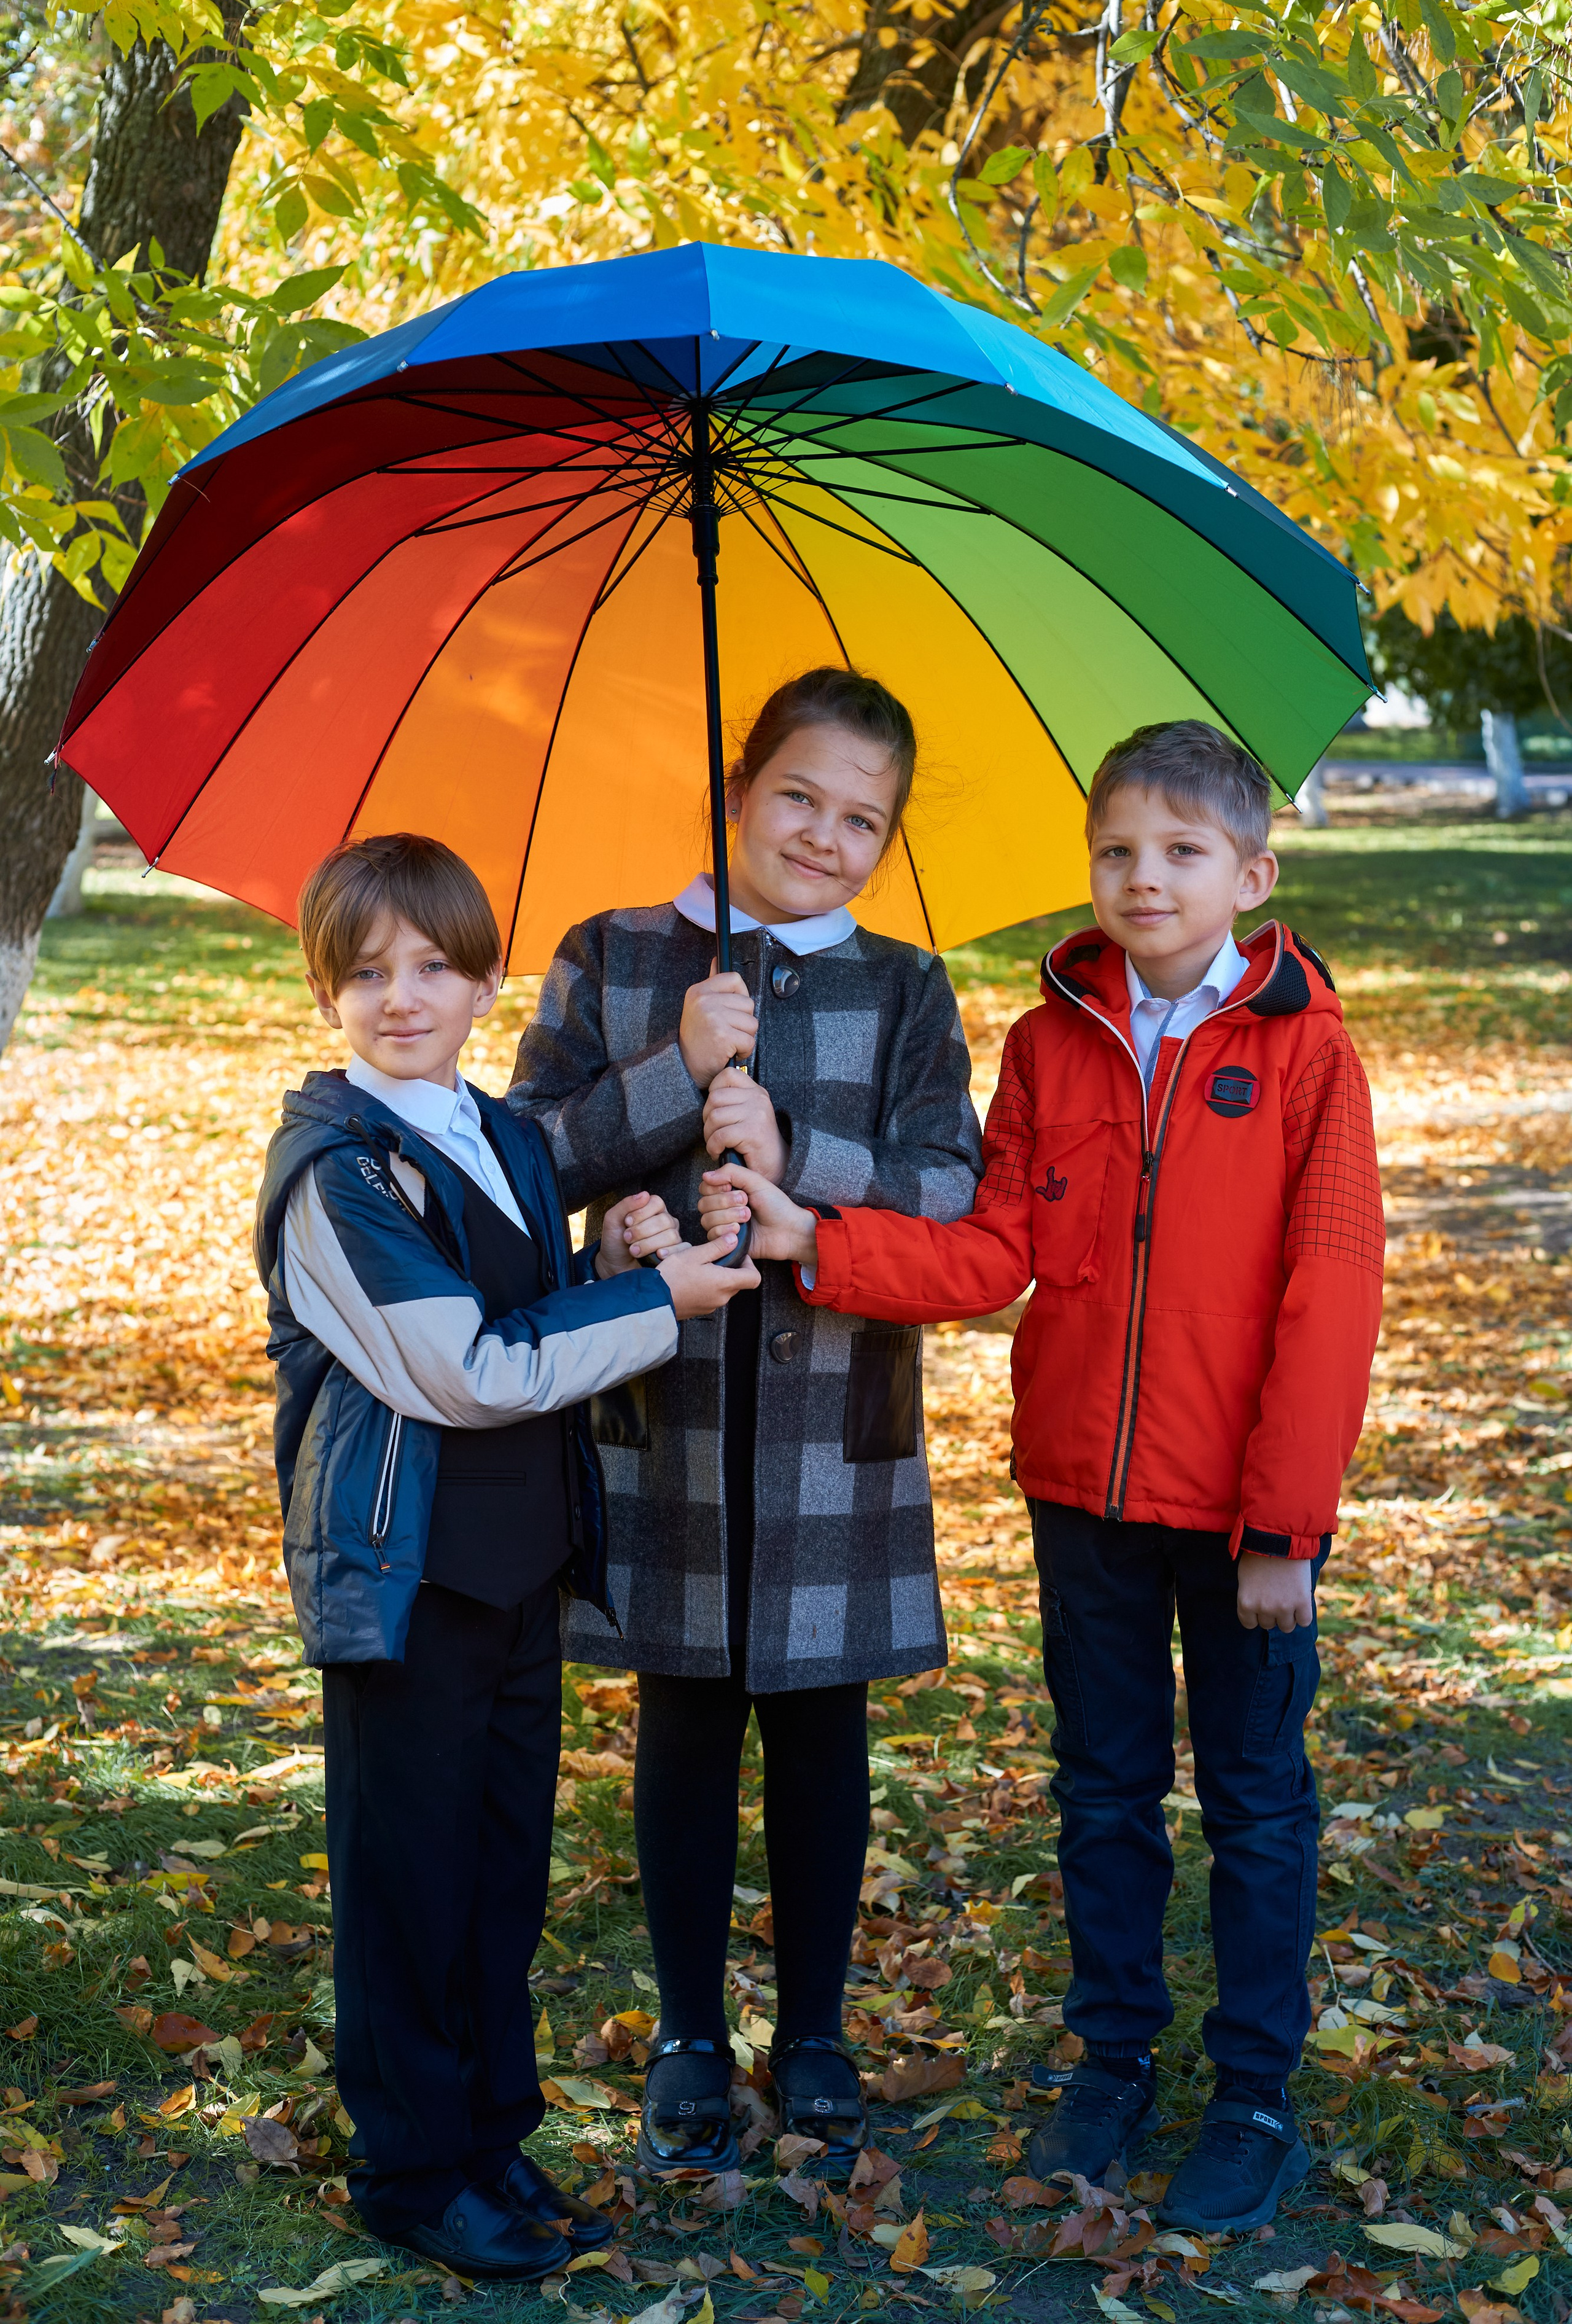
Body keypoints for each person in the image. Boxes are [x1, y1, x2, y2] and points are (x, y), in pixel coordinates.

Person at [699, 722, 1385, 2232]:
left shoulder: (1306, 1054)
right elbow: (996, 1249)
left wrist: (1284, 1526)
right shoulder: (1048, 1040)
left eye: (1181, 852)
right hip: (1082, 1494)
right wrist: (819, 1238)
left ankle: (1253, 2086)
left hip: (1242, 1517)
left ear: (1249, 875)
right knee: (1103, 1793)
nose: (1144, 879)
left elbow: (1328, 1292)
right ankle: (1112, 2055)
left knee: (1256, 1804)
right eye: (1117, 852)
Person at [253, 833, 757, 2279]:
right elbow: (459, 1366)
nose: (398, 997)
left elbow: (536, 1309)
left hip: (518, 1562)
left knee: (498, 1871)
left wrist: (617, 1257)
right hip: (405, 1574)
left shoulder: (509, 1140)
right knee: (406, 1880)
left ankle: (487, 2132)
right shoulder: (332, 1170)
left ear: (485, 980)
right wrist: (660, 1300)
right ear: (327, 995)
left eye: (430, 967)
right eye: (363, 974)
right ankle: (412, 2169)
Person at [508, 668, 983, 2179]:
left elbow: (951, 1188)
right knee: (686, 1720)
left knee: (820, 1724)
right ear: (737, 781)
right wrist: (670, 1082)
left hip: (837, 1418)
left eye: (863, 819)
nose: (825, 836)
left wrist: (797, 1151)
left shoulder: (903, 991)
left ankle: (820, 2025)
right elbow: (523, 1166)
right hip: (671, 1415)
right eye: (798, 796)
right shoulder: (617, 957)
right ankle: (688, 2031)